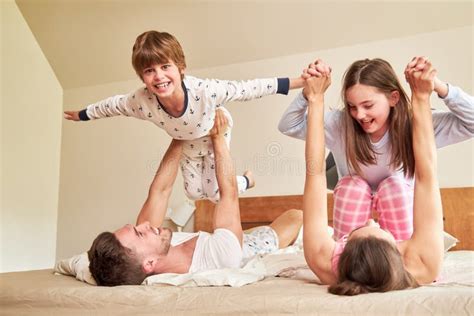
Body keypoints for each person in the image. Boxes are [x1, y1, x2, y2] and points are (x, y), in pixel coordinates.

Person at [65, 30, 306, 203]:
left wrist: (301, 82)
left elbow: (250, 87)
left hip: (214, 133)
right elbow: (112, 105)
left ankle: (246, 180)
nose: (158, 76)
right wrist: (83, 114)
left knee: (215, 194)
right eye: (149, 71)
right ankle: (235, 181)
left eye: (165, 67)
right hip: (186, 142)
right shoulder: (141, 101)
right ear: (142, 78)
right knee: (193, 193)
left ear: (181, 67)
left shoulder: (205, 91)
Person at [88, 110, 302, 286]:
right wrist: (219, 138)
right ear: (149, 264)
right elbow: (228, 193)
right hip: (248, 247)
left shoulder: (149, 248)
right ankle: (247, 180)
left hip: (219, 236)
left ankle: (245, 182)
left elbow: (160, 190)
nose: (144, 225)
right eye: (139, 233)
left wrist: (180, 134)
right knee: (297, 215)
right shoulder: (219, 259)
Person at [279, 57, 473, 240]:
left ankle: (404, 258)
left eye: (368, 105)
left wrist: (438, 86)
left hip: (401, 210)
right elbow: (288, 125)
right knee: (351, 186)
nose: (360, 115)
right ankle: (345, 255)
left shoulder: (416, 124)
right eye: (352, 106)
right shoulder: (341, 124)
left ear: (393, 98)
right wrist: (308, 94)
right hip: (352, 204)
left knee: (394, 186)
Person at [302, 58, 444, 295]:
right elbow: (426, 173)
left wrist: (316, 99)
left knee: (384, 187)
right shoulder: (423, 265)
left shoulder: (327, 264)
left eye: (352, 236)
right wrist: (421, 97)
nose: (371, 219)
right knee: (386, 185)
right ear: (398, 251)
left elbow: (314, 172)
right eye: (380, 228)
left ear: (342, 251)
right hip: (406, 252)